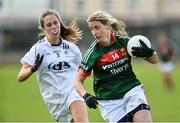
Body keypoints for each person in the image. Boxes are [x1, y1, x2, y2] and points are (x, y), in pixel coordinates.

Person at [75, 11, 158, 122]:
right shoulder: (92, 53)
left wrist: (149, 53)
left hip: (131, 90)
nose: (94, 32)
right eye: (91, 29)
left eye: (97, 27)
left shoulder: (124, 42)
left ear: (108, 26)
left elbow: (154, 60)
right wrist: (85, 95)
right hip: (110, 102)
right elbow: (77, 80)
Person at [17, 9, 88, 123]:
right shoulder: (38, 49)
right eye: (49, 25)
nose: (53, 26)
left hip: (73, 93)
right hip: (55, 102)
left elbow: (84, 70)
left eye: (55, 23)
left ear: (59, 23)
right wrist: (32, 68)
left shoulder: (71, 48)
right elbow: (20, 77)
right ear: (44, 29)